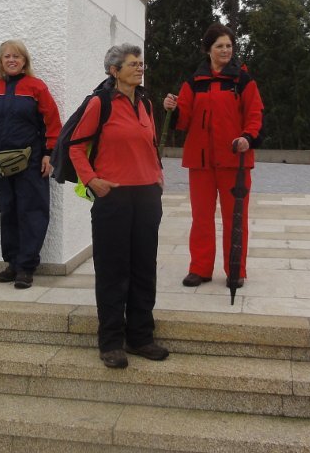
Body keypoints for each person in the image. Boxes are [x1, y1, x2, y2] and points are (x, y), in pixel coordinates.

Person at [69, 44, 167, 369]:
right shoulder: (100, 103)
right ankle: (111, 341)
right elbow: (75, 147)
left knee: (144, 267)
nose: (139, 68)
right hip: (113, 197)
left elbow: (150, 144)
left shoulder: (146, 103)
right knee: (113, 270)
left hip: (147, 197)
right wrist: (92, 180)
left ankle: (141, 337)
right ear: (114, 71)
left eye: (141, 63)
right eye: (132, 64)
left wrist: (158, 175)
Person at [162, 23, 263, 289]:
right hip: (201, 162)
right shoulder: (194, 82)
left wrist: (248, 137)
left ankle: (235, 270)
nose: (225, 50)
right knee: (201, 218)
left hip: (234, 161)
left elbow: (255, 115)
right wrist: (172, 108)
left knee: (235, 219)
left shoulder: (243, 81)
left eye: (229, 45)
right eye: (220, 46)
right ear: (208, 49)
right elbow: (183, 119)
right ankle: (200, 268)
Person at [0, 40, 61, 289]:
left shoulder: (36, 87)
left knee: (31, 211)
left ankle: (26, 267)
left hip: (31, 160)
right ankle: (12, 262)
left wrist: (49, 153)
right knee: (8, 210)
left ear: (24, 61)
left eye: (17, 56)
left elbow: (52, 122)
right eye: (7, 56)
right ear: (1, 61)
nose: (12, 60)